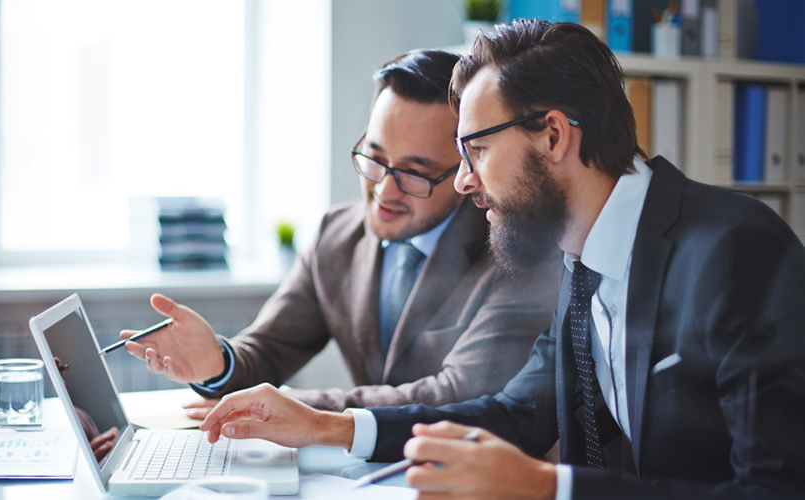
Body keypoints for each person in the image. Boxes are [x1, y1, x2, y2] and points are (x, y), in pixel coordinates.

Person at [192, 20, 805, 500]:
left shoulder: (734, 250)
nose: (461, 182)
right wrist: (329, 427)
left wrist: (547, 488)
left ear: (555, 136)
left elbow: (777, 489)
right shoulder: (582, 259)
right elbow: (517, 413)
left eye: (475, 150)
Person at [120, 49, 559, 415]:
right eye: (375, 157)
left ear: (467, 170)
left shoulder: (515, 252)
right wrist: (218, 364)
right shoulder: (337, 233)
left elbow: (458, 394)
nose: (384, 190)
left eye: (416, 172)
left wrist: (295, 410)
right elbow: (269, 348)